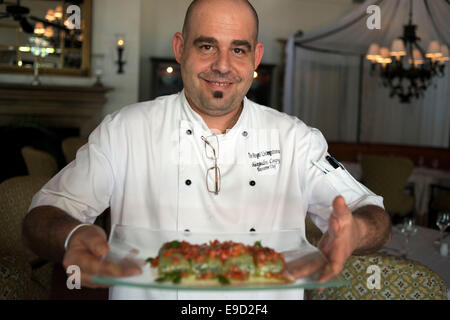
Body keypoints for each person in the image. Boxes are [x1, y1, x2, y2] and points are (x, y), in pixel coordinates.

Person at [23, 0, 391, 300]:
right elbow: (43, 214)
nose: (222, 66)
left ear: (256, 56)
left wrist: (356, 231)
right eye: (206, 46)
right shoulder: (125, 131)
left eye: (239, 49)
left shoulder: (295, 139)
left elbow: (370, 211)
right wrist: (72, 235)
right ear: (180, 49)